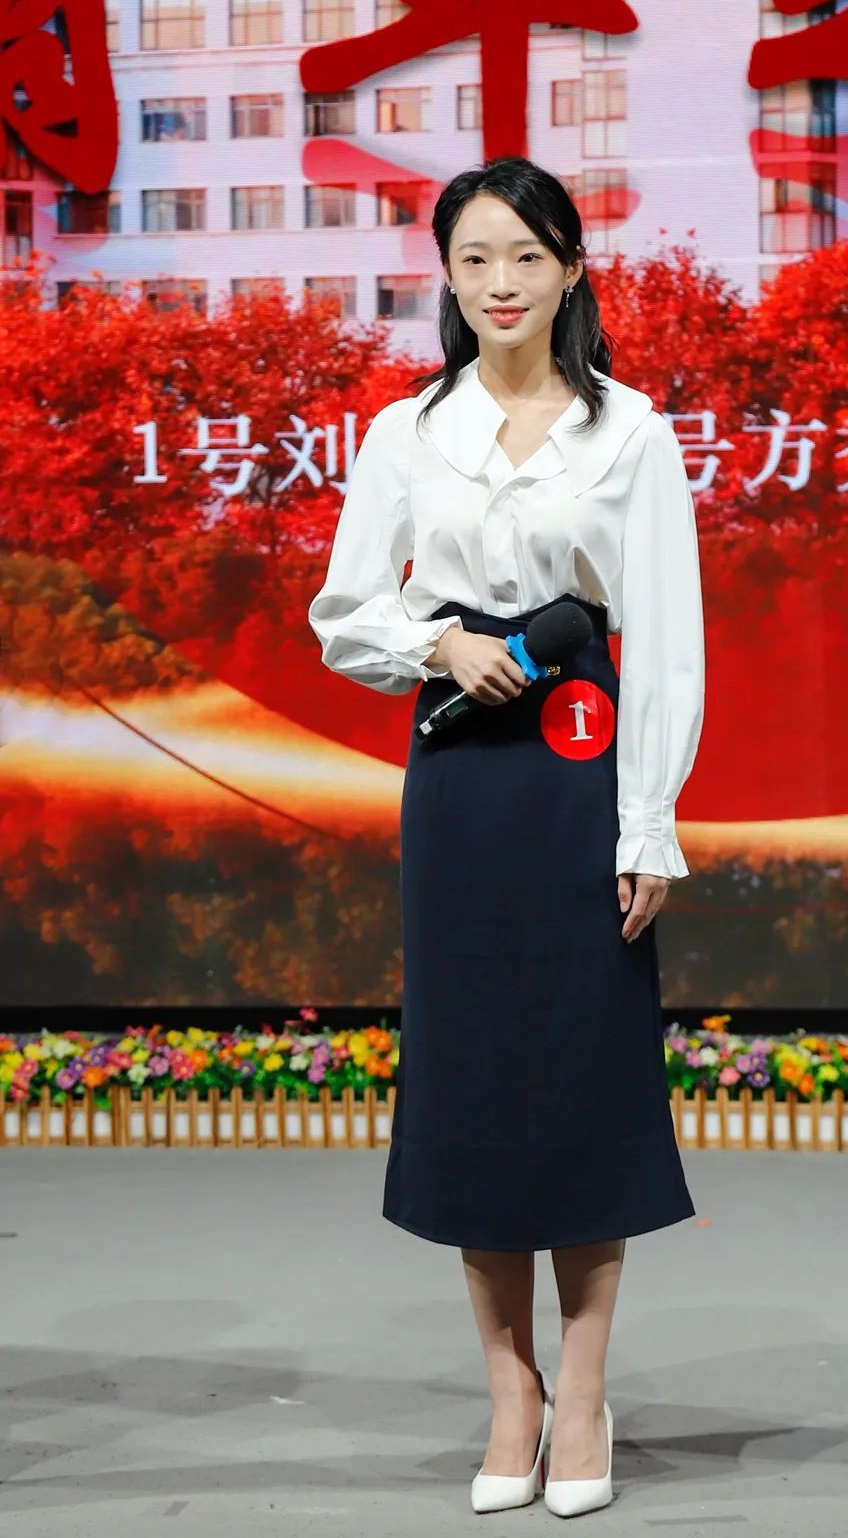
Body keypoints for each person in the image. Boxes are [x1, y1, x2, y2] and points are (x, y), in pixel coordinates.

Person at [308, 155, 705, 1517]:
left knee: (584, 1073)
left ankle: (583, 1393)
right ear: (447, 274)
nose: (500, 283)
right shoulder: (405, 432)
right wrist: (439, 643)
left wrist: (648, 823)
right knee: (474, 1077)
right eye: (475, 258)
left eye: (527, 257)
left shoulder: (631, 433)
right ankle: (511, 1393)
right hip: (464, 772)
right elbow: (344, 614)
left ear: (572, 271)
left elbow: (666, 641)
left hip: (586, 763)